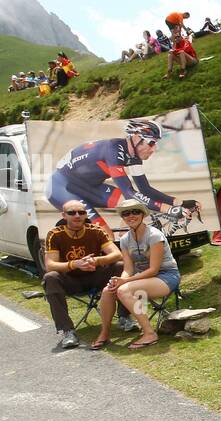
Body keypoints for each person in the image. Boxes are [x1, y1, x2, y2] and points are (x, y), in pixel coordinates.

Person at [43, 119, 195, 226]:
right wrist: (168, 209)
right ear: (136, 138)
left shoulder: (133, 155)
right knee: (104, 231)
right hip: (62, 187)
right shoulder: (113, 151)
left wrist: (179, 203)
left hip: (89, 187)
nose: (154, 149)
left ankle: (128, 242)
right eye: (151, 143)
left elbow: (145, 189)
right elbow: (130, 193)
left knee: (131, 211)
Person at [90, 199, 180, 350]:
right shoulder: (125, 239)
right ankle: (104, 333)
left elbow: (154, 270)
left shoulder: (154, 235)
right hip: (142, 278)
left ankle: (149, 333)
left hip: (166, 276)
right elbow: (128, 268)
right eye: (126, 213)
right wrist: (120, 279)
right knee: (108, 290)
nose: (131, 216)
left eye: (135, 212)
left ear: (143, 214)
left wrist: (126, 282)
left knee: (124, 290)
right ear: (123, 217)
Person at [40, 199, 123, 351]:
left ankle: (125, 317)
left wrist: (96, 261)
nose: (77, 215)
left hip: (95, 276)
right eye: (72, 213)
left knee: (120, 267)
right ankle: (67, 331)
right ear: (64, 215)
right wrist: (75, 264)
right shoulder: (54, 234)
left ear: (86, 214)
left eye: (81, 212)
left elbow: (117, 254)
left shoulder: (96, 231)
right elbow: (50, 265)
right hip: (71, 280)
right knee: (50, 277)